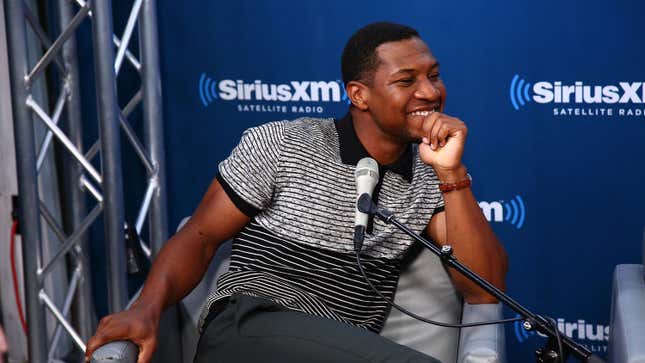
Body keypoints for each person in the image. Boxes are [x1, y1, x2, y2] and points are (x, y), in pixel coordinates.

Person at [85, 22, 507, 363]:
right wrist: (146, 308)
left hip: (338, 344)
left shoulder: (429, 177)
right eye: (406, 80)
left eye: (433, 76)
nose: (430, 92)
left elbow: (485, 289)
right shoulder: (284, 143)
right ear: (359, 94)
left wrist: (452, 173)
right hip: (247, 326)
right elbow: (200, 236)